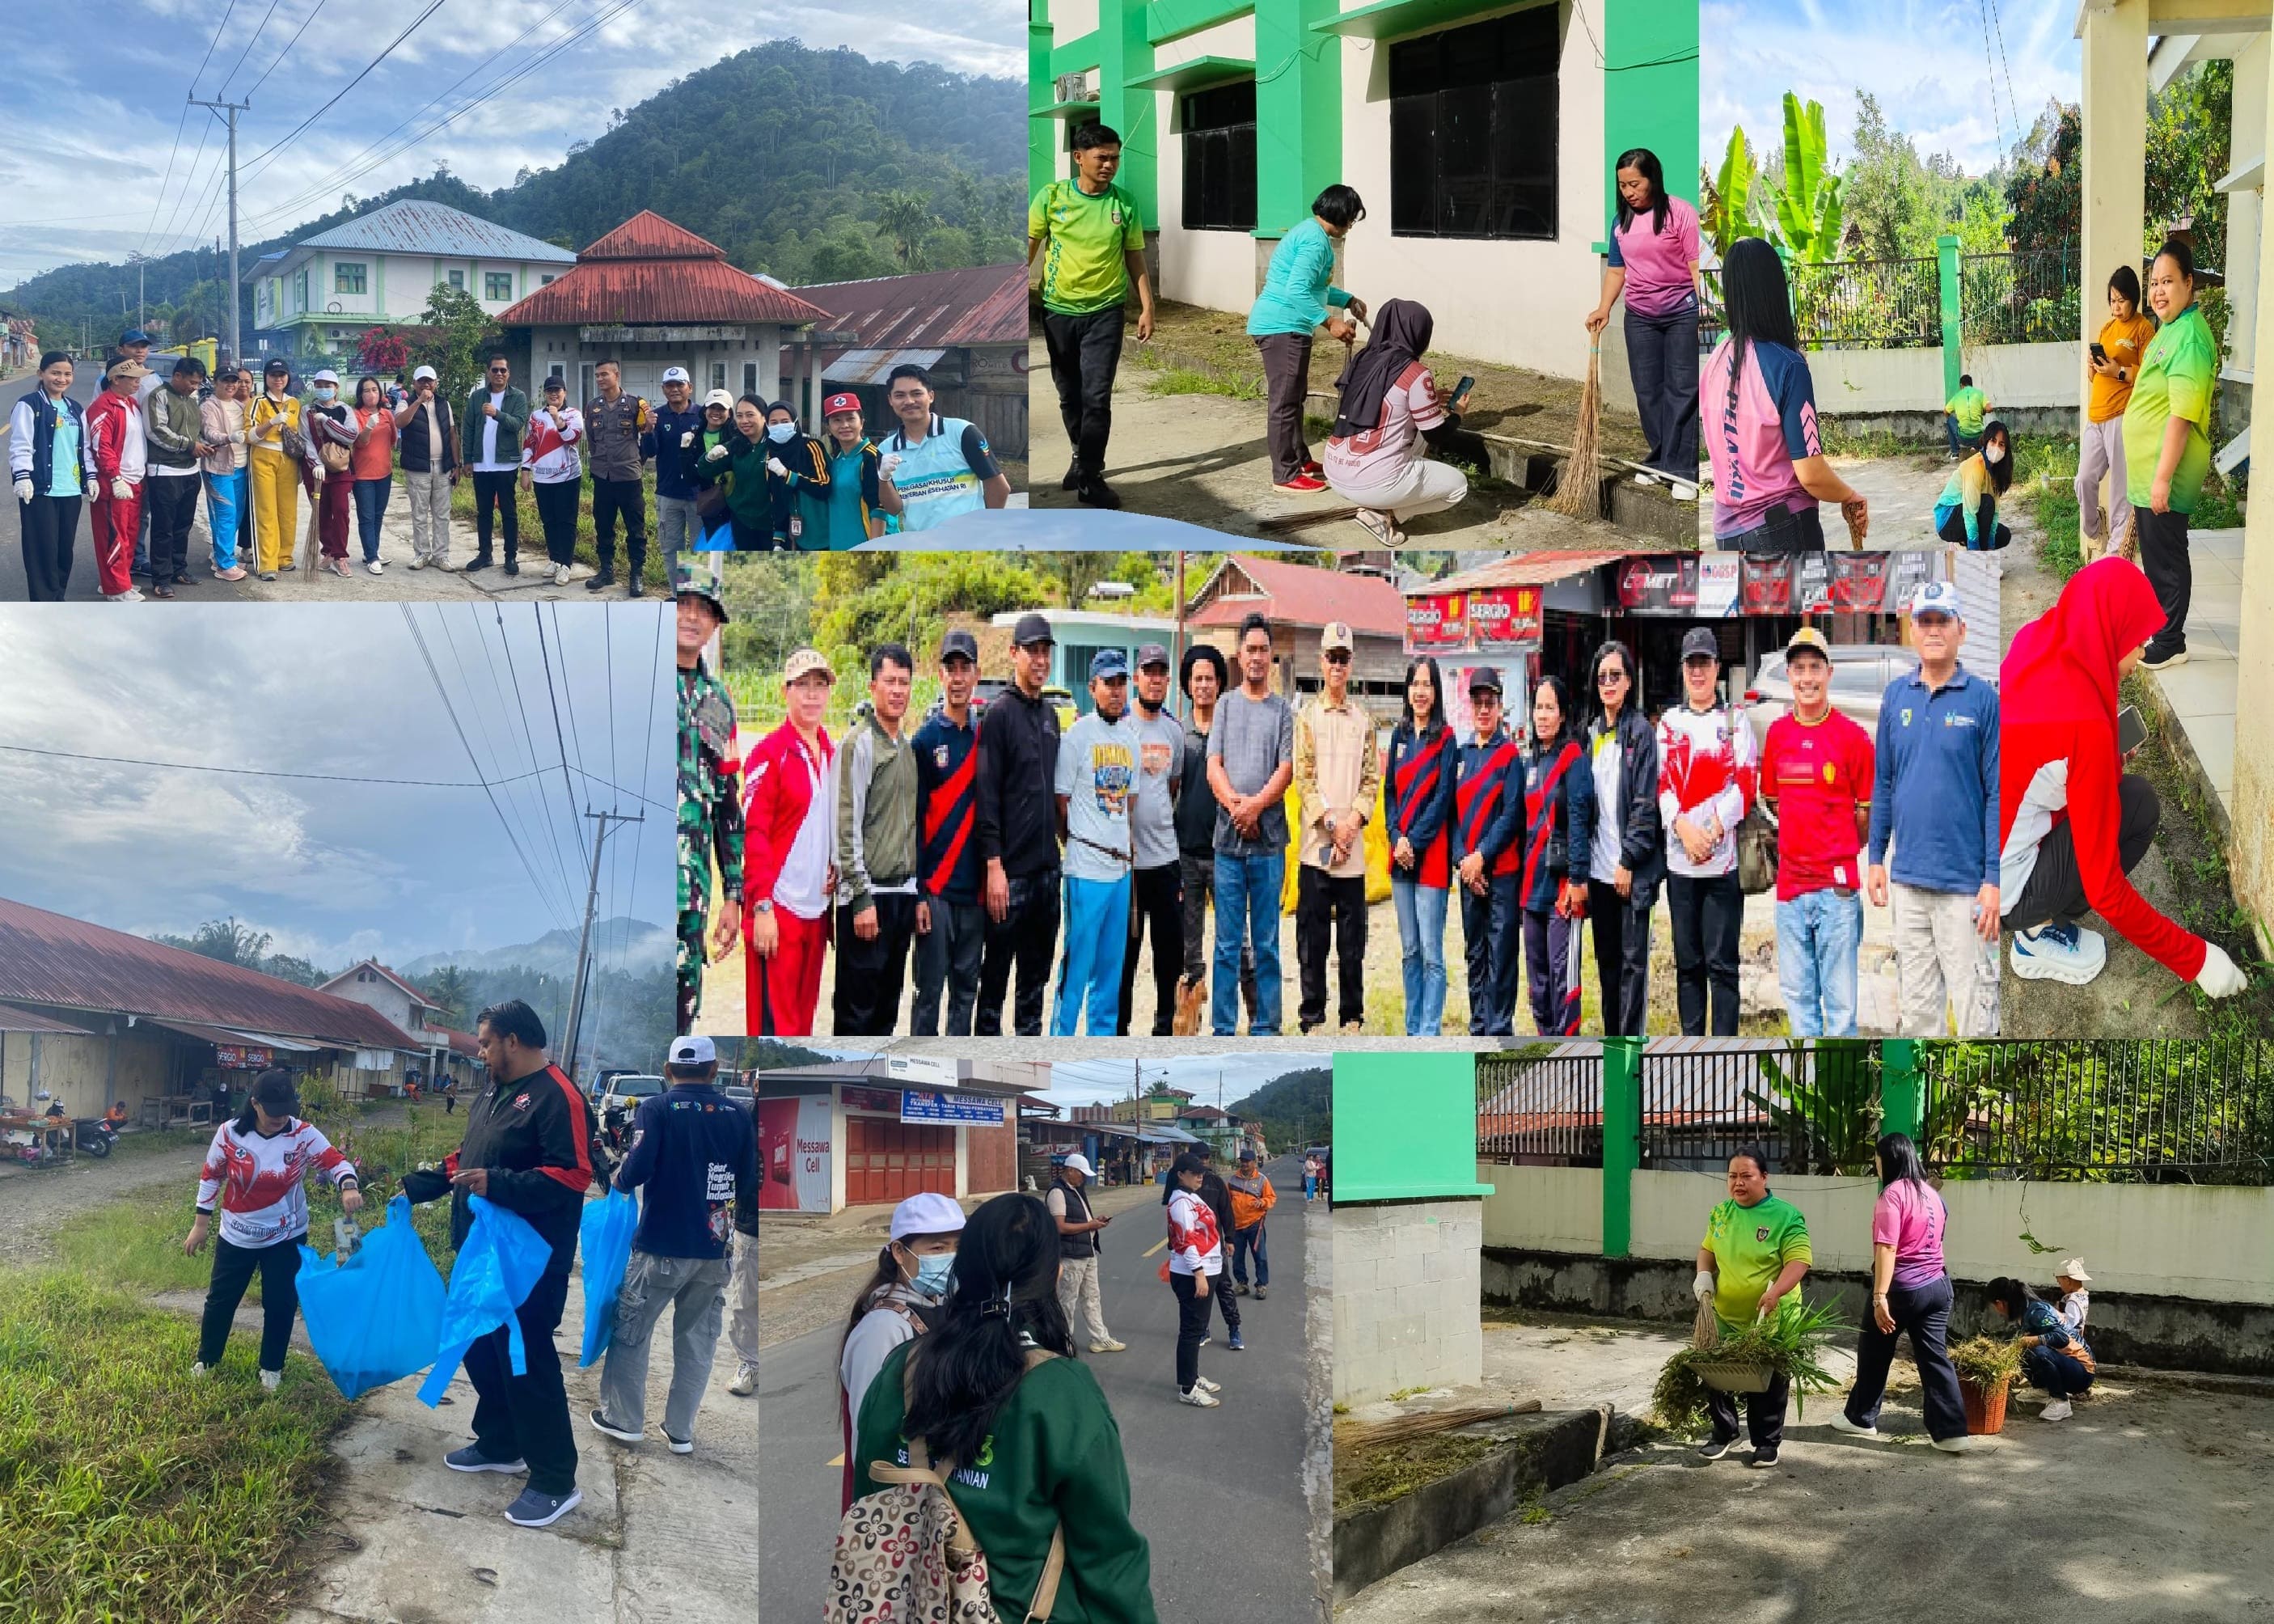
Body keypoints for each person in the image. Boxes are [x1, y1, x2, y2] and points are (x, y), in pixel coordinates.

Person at [851, 1194, 1158, 1622]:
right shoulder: (1061, 1391)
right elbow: (1109, 1557)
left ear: (964, 1271)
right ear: (1055, 1276)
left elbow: (868, 1498)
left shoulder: (900, 1368)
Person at [1999, 557, 2248, 1000]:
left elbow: (2045, 754)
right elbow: (2107, 889)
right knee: (2138, 805)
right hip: (2003, 889)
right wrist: (2197, 960)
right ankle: (2034, 933)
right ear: (2109, 637)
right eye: (2137, 641)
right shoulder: (2087, 727)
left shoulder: (2035, 640)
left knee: (2125, 794)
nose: (2144, 652)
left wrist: (2104, 757)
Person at [404, 999, 598, 1529]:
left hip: (529, 1263)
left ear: (513, 1040)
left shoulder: (559, 1097)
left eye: (486, 1043)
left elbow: (575, 1174)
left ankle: (555, 1479)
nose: (481, 1051)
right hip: (481, 1253)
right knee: (483, 1353)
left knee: (527, 1363)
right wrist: (420, 1186)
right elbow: (469, 1156)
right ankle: (501, 1442)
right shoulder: (493, 1090)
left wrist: (502, 1186)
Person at [590, 1034, 754, 1457]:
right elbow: (752, 1181)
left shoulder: (657, 1108)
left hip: (661, 1246)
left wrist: (619, 1182)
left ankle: (623, 1420)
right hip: (715, 1249)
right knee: (697, 1342)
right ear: (715, 1070)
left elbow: (637, 1169)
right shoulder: (739, 1114)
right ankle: (680, 1431)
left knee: (633, 1332)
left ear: (667, 1071)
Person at [1869, 580, 2001, 1037]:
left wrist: (1992, 881)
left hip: (1964, 888)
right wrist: (1875, 860)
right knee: (1919, 1014)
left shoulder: (1983, 700)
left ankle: (1977, 1106)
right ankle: (1927, 1108)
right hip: (1907, 884)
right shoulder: (1896, 698)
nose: (1932, 629)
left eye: (1942, 620)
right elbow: (1883, 783)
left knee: (1974, 1014)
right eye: (1924, 621)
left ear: (1961, 630)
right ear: (1912, 630)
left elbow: (1995, 795)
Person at [186, 1068, 361, 1391]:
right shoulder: (229, 1134)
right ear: (255, 1104)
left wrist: (348, 1184)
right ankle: (208, 1360)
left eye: (287, 1111)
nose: (281, 1118)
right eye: (273, 1112)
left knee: (280, 1303)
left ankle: (271, 1368)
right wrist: (201, 1225)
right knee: (221, 1301)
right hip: (237, 1234)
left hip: (286, 1235)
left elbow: (336, 1161)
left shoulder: (302, 1134)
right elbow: (211, 1175)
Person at [1701, 237, 1870, 550]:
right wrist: (1849, 495)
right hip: (1782, 531)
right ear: (1774, 289)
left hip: (1726, 535)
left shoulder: (1713, 363)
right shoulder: (1788, 366)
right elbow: (1811, 474)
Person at [1029, 122, 1155, 509]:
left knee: (1097, 396)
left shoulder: (1125, 203)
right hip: (1058, 311)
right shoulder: (1052, 198)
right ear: (1078, 158)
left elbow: (1134, 255)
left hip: (1106, 311)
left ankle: (1091, 476)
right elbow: (1030, 246)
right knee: (1070, 394)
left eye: (1115, 157)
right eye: (1102, 157)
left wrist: (1147, 306)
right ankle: (1079, 455)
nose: (1110, 165)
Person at [1760, 627, 1875, 1036]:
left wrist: (1839, 849)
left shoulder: (1854, 740)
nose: (1807, 678)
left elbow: (1865, 818)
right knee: (1800, 1007)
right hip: (1790, 891)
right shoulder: (1777, 736)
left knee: (1842, 1012)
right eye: (1799, 669)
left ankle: (1845, 1096)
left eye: (1814, 668)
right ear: (1789, 675)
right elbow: (1773, 800)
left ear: (1830, 672)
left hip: (1837, 892)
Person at [1830, 1133, 1975, 1453]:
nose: (1875, 1164)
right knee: (1935, 1358)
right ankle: (1952, 1433)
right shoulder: (1933, 1194)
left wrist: (1880, 1297)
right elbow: (1938, 1242)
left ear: (1889, 1159)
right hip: (1937, 1286)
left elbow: (1887, 1247)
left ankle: (1861, 1418)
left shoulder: (1891, 1195)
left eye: (1876, 1158)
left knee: (1874, 1354)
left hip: (1901, 1290)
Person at [1655, 628, 1757, 1035]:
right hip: (1681, 869)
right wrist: (1683, 828)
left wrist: (1712, 831)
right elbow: (1661, 784)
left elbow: (1746, 783)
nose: (1698, 672)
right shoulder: (1668, 724)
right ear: (1682, 670)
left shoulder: (1735, 721)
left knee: (1723, 966)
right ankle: (1691, 1052)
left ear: (1717, 668)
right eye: (1691, 664)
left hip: (1722, 869)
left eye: (1705, 663)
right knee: (1688, 966)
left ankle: (1725, 1054)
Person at [2124, 239, 2219, 671]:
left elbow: (2181, 416)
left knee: (2167, 556)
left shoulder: (2192, 340)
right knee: (2157, 555)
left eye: (2168, 281)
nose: (2159, 291)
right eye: (2154, 282)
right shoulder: (2170, 328)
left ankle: (2171, 641)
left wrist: (2162, 478)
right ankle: (2164, 625)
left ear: (2189, 283)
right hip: (2150, 474)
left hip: (2168, 473)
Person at [838, 1191, 965, 1509]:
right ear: (898, 1251)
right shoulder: (884, 1328)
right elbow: (870, 1437)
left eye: (958, 1247)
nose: (951, 1256)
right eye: (938, 1247)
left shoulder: (943, 1307)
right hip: (896, 1506)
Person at [1586, 147, 1701, 491]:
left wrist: (1705, 311)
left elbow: (1696, 266)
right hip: (1640, 317)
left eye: (1635, 184)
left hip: (1682, 312)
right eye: (1622, 186)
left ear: (1653, 178)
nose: (1629, 193)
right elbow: (1617, 270)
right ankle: (1661, 460)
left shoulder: (1680, 214)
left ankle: (1684, 472)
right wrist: (1604, 307)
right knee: (1648, 392)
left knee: (1682, 390)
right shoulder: (1620, 222)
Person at [1694, 1146, 1812, 1467]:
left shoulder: (1786, 1215)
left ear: (1764, 1177)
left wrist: (1776, 1294)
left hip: (1772, 1316)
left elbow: (1799, 1261)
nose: (1738, 1183)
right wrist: (1703, 1274)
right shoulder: (1721, 1213)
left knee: (1767, 1381)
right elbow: (1707, 1249)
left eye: (1746, 1176)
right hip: (1725, 1314)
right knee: (1715, 1372)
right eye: (1733, 1176)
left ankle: (1766, 1442)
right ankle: (1724, 1432)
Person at [975, 615, 1065, 1036]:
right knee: (993, 984)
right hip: (1010, 878)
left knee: (1034, 985)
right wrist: (994, 867)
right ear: (1015, 654)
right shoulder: (998, 715)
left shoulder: (1050, 715)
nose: (1040, 660)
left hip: (1048, 875)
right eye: (1032, 651)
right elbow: (987, 797)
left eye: (1046, 651)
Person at [1247, 183, 1368, 492]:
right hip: (1282, 326)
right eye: (1352, 220)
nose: (1351, 226)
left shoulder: (1310, 234)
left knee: (1294, 398)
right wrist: (1329, 323)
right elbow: (1296, 291)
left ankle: (1300, 458)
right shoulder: (1316, 242)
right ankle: (1285, 475)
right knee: (1284, 403)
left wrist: (1347, 300)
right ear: (1341, 215)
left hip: (1287, 324)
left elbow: (1314, 286)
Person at [1208, 612, 1296, 1037]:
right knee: (1226, 946)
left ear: (1270, 656)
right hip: (1227, 844)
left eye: (1264, 650)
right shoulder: (1224, 705)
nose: (1257, 657)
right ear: (1239, 656)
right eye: (1251, 650)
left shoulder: (1282, 711)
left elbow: (1286, 769)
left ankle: (1267, 1025)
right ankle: (1223, 1027)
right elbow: (1213, 767)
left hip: (1268, 845)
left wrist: (1255, 807)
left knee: (1266, 945)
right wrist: (1236, 808)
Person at [743, 649, 838, 1037]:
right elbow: (755, 834)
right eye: (803, 686)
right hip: (778, 909)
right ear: (787, 691)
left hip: (816, 912)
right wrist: (761, 906)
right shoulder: (770, 753)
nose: (813, 695)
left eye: (820, 686)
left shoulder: (832, 752)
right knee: (773, 1029)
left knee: (801, 1026)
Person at [1320, 298, 1468, 547]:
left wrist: (1429, 399)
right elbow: (1436, 436)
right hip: (1372, 482)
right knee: (1458, 487)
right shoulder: (1416, 372)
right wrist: (1458, 414)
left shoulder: (1362, 360)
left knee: (1416, 425)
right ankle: (1385, 515)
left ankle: (1381, 502)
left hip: (1334, 471)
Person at [1294, 622, 1380, 1035]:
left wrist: (1352, 823)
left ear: (1352, 664)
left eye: (1344, 658)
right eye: (1332, 657)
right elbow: (1304, 778)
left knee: (1352, 944)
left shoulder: (1364, 720)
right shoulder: (1307, 718)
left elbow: (1371, 781)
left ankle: (1352, 1016)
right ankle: (1312, 1015)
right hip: (1316, 849)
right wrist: (1331, 823)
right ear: (1321, 661)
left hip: (1353, 855)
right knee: (1312, 943)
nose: (1337, 666)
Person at [835, 643, 920, 1035]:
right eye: (890, 681)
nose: (898, 690)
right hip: (868, 900)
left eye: (904, 682)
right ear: (873, 686)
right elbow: (846, 822)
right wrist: (860, 896)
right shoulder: (859, 744)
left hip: (901, 897)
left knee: (887, 1011)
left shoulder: (906, 748)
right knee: (858, 1014)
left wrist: (915, 892)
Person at [1053, 649, 1137, 1036]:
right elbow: (1061, 801)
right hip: (1085, 871)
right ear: (1092, 688)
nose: (1116, 691)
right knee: (1076, 973)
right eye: (1109, 683)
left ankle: (1100, 1039)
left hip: (1119, 872)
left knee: (1109, 976)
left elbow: (1129, 804)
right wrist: (1080, 844)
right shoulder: (1077, 737)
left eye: (1121, 683)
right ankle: (1061, 1041)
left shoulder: (1131, 738)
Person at [1176, 643, 1256, 1033]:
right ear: (1188, 685)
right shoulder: (1179, 734)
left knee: (1238, 944)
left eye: (1210, 678)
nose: (1204, 686)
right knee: (1191, 949)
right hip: (1187, 856)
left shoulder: (1231, 732)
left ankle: (1257, 1019)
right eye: (1197, 679)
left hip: (1226, 853)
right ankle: (1191, 1024)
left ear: (1221, 684)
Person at [1584, 640, 1663, 1036]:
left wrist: (1629, 860)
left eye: (1616, 675)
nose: (1609, 683)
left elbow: (1646, 804)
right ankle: (1612, 1044)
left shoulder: (1641, 734)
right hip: (1598, 873)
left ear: (1629, 682)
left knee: (1634, 965)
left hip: (1629, 872)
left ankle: (1632, 1048)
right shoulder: (1592, 733)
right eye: (1602, 677)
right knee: (1608, 965)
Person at [676, 578, 743, 1032]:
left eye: (704, 609)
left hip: (693, 890)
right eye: (682, 604)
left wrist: (734, 895)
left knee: (682, 1007)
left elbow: (728, 807)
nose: (691, 616)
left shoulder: (719, 703)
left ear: (715, 624)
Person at [911, 629, 985, 1036]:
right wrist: (920, 893)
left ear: (976, 675)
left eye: (965, 669)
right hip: (936, 893)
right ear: (940, 675)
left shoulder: (986, 737)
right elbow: (914, 822)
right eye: (950, 669)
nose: (958, 678)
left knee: (965, 995)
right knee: (928, 995)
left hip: (974, 895)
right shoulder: (924, 741)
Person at [1519, 674, 1594, 1036]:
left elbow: (1581, 821)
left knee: (1564, 978)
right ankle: (1545, 1052)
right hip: (1531, 889)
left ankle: (1570, 1059)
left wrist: (1577, 881)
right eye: (1538, 707)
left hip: (1563, 889)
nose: (1543, 715)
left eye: (1550, 707)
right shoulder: (1531, 763)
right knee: (1538, 981)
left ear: (1563, 714)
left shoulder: (1573, 759)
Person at [1116, 643, 1186, 1036]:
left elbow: (1171, 786)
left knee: (1169, 958)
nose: (1155, 679)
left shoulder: (1173, 730)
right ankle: (1120, 1031)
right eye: (1149, 672)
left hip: (1165, 862)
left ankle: (1165, 1031)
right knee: (1125, 958)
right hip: (1128, 867)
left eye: (1161, 672)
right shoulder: (1121, 727)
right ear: (1136, 678)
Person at [1452, 668, 1525, 1037]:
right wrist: (1464, 862)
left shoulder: (1510, 755)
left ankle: (1499, 1028)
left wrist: (1482, 856)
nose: (1484, 709)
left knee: (1502, 952)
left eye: (1490, 703)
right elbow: (1452, 816)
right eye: (1478, 702)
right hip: (1469, 874)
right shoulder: (1461, 755)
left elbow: (1512, 814)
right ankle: (1478, 1025)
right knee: (1475, 952)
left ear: (1500, 707)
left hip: (1503, 873)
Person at [1387, 654, 1456, 1037]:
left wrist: (1415, 840)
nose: (1420, 691)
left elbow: (1444, 797)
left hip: (1431, 860)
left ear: (1436, 691)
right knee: (1409, 951)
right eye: (1415, 683)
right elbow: (1390, 794)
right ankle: (1413, 1029)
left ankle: (1430, 1030)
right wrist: (1397, 839)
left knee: (1432, 954)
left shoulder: (1446, 739)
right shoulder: (1398, 736)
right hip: (1400, 860)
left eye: (1427, 684)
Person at [2079, 264, 2156, 564]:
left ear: (2134, 299)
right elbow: (2093, 377)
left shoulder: (2142, 329)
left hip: (2122, 418)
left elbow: (2150, 375)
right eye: (2112, 300)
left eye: (2121, 300)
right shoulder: (2107, 329)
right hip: (2096, 419)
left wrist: (2118, 370)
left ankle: (2116, 559)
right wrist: (2094, 365)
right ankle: (2095, 529)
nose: (2116, 306)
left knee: (2119, 492)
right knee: (2084, 479)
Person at [873, 365, 1008, 531]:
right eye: (900, 395)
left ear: (930, 396)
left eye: (916, 393)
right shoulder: (885, 449)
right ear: (891, 401)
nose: (909, 401)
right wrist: (884, 479)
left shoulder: (961, 432)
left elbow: (999, 487)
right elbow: (893, 509)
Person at [11, 351, 94, 600]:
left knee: (63, 552)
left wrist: (90, 477)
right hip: (41, 490)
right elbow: (20, 444)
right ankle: (43, 602)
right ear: (41, 374)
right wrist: (22, 476)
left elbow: (85, 447)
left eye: (67, 374)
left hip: (69, 490)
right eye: (55, 373)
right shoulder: (30, 404)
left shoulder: (75, 409)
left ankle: (58, 598)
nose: (61, 378)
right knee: (41, 551)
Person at [142, 355, 211, 597]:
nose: (194, 387)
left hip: (191, 471)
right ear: (177, 375)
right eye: (191, 381)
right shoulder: (158, 396)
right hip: (165, 471)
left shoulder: (192, 400)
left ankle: (179, 569)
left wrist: (201, 444)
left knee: (183, 525)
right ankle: (161, 578)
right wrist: (189, 446)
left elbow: (196, 432)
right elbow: (156, 431)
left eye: (198, 383)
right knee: (164, 527)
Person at [1984, 1275, 2095, 1422]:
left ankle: (2060, 1401)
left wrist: (2029, 1340)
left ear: (2000, 1303)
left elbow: (2061, 1338)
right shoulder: (2025, 1312)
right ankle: (2041, 1389)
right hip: (2066, 1365)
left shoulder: (2037, 1312)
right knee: (2021, 1346)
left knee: (2038, 1351)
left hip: (2082, 1373)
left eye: (1993, 1306)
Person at [582, 359, 650, 594]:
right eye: (597, 375)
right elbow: (590, 439)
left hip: (629, 476)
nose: (600, 379)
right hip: (603, 476)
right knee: (603, 525)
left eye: (604, 374)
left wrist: (636, 461)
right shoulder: (592, 406)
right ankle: (606, 571)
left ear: (616, 375)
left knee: (635, 527)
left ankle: (636, 574)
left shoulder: (635, 404)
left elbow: (646, 435)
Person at [1165, 1152, 1228, 1406]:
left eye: (1202, 1172)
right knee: (1191, 1331)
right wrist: (1199, 1274)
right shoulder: (1180, 1202)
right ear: (1181, 1174)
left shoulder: (1191, 1197)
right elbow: (1185, 1240)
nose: (1200, 1176)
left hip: (1206, 1269)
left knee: (1197, 1328)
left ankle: (1192, 1376)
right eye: (1194, 1172)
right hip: (1193, 1274)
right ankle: (1188, 1389)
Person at [84, 357, 149, 602]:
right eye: (132, 378)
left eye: (138, 378)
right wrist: (115, 478)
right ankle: (115, 588)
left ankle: (121, 581)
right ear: (115, 379)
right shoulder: (103, 407)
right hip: (114, 484)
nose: (137, 382)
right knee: (113, 536)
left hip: (134, 481)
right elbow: (102, 448)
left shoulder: (131, 404)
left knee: (129, 534)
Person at [1047, 1153, 1123, 1354]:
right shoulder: (1057, 1193)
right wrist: (1091, 1224)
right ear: (1070, 1170)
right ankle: (1063, 1341)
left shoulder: (1075, 1190)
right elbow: (1060, 1227)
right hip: (1071, 1255)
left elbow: (1079, 1219)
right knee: (1067, 1301)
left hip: (1086, 1252)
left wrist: (1094, 1222)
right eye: (1081, 1174)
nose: (1084, 1178)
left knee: (1092, 1297)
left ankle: (1100, 1338)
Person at [463, 354, 528, 575]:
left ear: (508, 373)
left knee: (509, 513)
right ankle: (485, 554)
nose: (499, 374)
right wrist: (468, 460)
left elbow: (518, 424)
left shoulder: (517, 396)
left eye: (503, 370)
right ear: (488, 372)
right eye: (495, 370)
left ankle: (511, 557)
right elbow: (468, 428)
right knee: (484, 512)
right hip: (481, 464)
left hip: (505, 465)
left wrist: (497, 414)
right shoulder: (477, 397)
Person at [392, 364, 459, 570]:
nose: (426, 384)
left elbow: (453, 434)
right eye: (421, 381)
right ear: (414, 384)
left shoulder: (443, 404)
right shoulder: (406, 402)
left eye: (430, 380)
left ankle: (441, 555)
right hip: (418, 467)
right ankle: (422, 553)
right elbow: (399, 423)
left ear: (436, 383)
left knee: (442, 513)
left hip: (443, 466)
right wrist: (419, 401)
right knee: (419, 513)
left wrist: (457, 464)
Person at [521, 375, 585, 586]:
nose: (554, 394)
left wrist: (558, 419)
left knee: (566, 522)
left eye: (558, 390)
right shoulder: (536, 416)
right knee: (549, 521)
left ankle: (566, 564)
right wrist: (525, 470)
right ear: (545, 394)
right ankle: (554, 559)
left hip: (567, 477)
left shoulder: (573, 414)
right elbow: (530, 443)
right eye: (549, 391)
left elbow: (571, 438)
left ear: (565, 392)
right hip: (542, 477)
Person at [801, 391, 883, 550]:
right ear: (829, 427)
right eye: (837, 420)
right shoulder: (837, 459)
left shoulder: (871, 458)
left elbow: (879, 509)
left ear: (862, 422)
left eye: (850, 418)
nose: (844, 425)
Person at [246, 358, 302, 581]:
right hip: (263, 456)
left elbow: (297, 435)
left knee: (288, 512)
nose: (278, 379)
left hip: (288, 459)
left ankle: (284, 557)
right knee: (266, 511)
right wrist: (271, 423)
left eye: (282, 375)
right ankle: (267, 563)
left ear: (288, 377)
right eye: (273, 375)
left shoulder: (294, 403)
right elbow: (249, 436)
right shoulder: (257, 403)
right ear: (266, 378)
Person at [645, 366, 704, 575]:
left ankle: (698, 598)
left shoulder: (702, 415)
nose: (675, 389)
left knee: (701, 550)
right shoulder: (657, 416)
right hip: (668, 494)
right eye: (670, 385)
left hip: (699, 494)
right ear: (663, 389)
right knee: (671, 550)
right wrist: (648, 430)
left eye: (680, 384)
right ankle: (676, 596)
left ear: (690, 387)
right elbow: (650, 451)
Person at [301, 369, 360, 578]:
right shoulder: (307, 410)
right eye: (319, 385)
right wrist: (315, 463)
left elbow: (350, 436)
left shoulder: (345, 410)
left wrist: (327, 420)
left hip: (342, 469)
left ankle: (340, 556)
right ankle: (328, 552)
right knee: (322, 512)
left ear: (336, 388)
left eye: (328, 385)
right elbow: (305, 439)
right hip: (315, 471)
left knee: (341, 510)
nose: (323, 389)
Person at [198, 366, 251, 582]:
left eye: (234, 381)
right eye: (225, 380)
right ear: (215, 382)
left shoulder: (239, 406)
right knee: (225, 515)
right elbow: (210, 433)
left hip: (241, 468)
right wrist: (231, 437)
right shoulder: (208, 407)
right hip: (219, 469)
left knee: (236, 515)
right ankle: (224, 565)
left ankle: (223, 555)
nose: (231, 385)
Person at [340, 376, 396, 575]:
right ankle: (371, 558)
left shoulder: (387, 414)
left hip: (385, 472)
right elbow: (359, 443)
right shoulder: (355, 415)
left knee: (378, 515)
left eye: (374, 390)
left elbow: (393, 440)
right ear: (360, 395)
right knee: (366, 516)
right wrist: (369, 427)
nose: (371, 394)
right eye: (366, 390)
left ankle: (371, 551)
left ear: (380, 393)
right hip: (363, 475)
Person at [758, 399, 831, 549]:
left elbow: (824, 487)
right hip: (795, 537)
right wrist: (779, 538)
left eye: (785, 421)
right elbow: (777, 498)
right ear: (767, 425)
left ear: (795, 422)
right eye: (774, 423)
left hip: (823, 533)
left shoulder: (811, 447)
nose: (780, 426)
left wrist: (788, 475)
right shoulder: (769, 454)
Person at [1933, 418, 2013, 550]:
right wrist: (1976, 552)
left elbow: (1995, 512)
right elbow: (1970, 512)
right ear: (1986, 441)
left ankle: (1961, 544)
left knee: (2003, 534)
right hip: (1948, 520)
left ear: (2006, 450)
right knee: (1987, 503)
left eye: (2002, 444)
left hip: (1966, 514)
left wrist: (1991, 547)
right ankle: (1971, 554)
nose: (1997, 447)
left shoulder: (1996, 473)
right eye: (1993, 441)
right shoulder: (1976, 465)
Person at [1225, 1149, 1275, 1299]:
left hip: (1255, 1225)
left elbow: (1272, 1197)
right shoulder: (1233, 1180)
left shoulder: (1262, 1180)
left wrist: (1263, 1202)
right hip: (1237, 1226)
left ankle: (1261, 1285)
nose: (1244, 1164)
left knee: (1260, 1256)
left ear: (1254, 1162)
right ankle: (1242, 1284)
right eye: (1242, 1161)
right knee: (1237, 1257)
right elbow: (1226, 1202)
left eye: (1247, 1161)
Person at [1943, 372, 1993, 459]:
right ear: (1971, 385)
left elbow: (1945, 412)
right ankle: (1979, 448)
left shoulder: (1957, 396)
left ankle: (1955, 452)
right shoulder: (1979, 394)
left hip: (1963, 438)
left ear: (1961, 386)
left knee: (1949, 420)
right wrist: (1983, 411)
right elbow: (1989, 408)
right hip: (1979, 437)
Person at [2053, 1259, 2091, 1330]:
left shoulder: (2073, 1300)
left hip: (2069, 1338)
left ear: (2067, 1280)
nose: (2060, 1286)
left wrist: (2055, 1313)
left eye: (2059, 1283)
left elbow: (2070, 1321)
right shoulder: (2084, 1296)